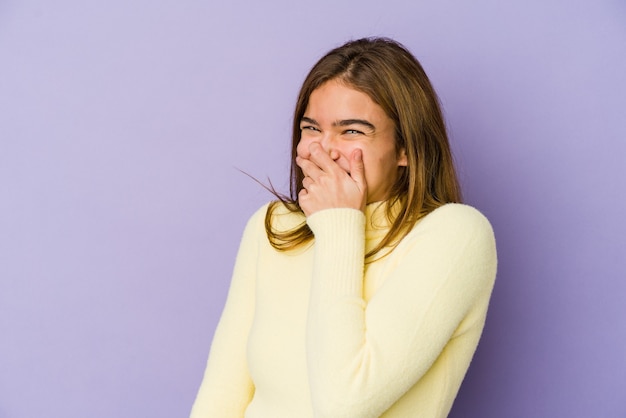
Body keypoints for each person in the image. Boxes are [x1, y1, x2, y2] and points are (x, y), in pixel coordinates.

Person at [190, 37, 497, 418]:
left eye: (352, 131)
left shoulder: (455, 235)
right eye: (311, 128)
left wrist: (338, 224)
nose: (324, 149)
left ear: (405, 149)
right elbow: (221, 395)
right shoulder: (272, 228)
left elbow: (344, 403)